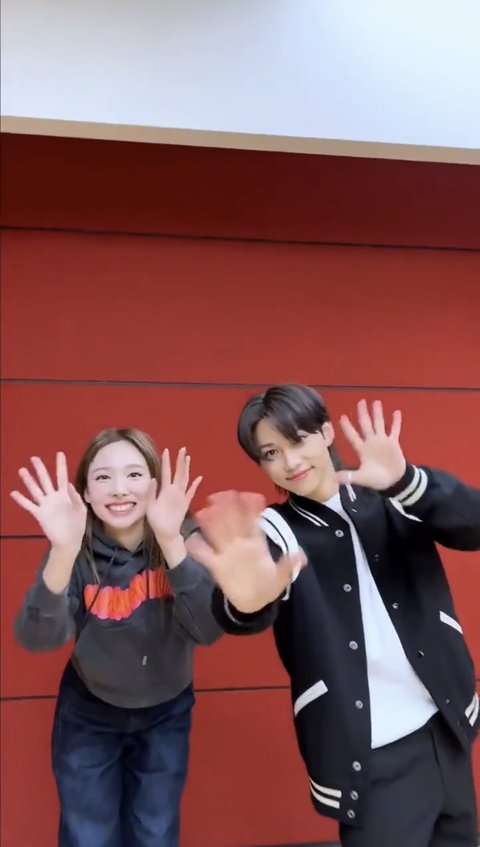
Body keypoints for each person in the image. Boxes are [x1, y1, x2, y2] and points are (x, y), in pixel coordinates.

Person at [186, 384, 480, 847]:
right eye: (270, 453)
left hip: (446, 726)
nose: (289, 461)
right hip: (372, 755)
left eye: (297, 439)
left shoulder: (391, 491)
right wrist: (246, 601)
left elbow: (474, 525)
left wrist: (407, 480)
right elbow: (248, 600)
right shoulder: (275, 530)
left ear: (325, 432)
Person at [12, 428, 222, 847]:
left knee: (155, 832)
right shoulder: (73, 547)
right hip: (89, 710)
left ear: (155, 484)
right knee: (87, 834)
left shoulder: (185, 538)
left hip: (167, 710)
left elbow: (207, 629)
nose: (120, 489)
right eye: (103, 477)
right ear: (86, 494)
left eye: (134, 474)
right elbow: (37, 638)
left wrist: (171, 542)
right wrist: (62, 552)